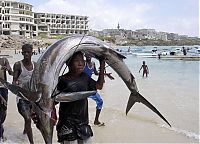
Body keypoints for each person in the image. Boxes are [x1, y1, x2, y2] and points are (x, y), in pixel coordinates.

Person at [32, 51, 105, 143]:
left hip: (83, 122)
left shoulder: (85, 78)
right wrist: (42, 115)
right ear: (68, 63)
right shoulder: (61, 80)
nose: (80, 63)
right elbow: (50, 102)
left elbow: (99, 86)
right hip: (66, 124)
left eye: (82, 60)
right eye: (76, 60)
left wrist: (102, 64)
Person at [12, 44, 35, 144]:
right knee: (28, 118)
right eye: (24, 52)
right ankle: (32, 143)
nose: (26, 54)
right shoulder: (18, 65)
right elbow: (14, 81)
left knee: (28, 120)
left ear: (32, 53)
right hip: (21, 98)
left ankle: (24, 133)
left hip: (32, 98)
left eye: (28, 52)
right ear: (21, 52)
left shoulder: (35, 65)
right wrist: (15, 83)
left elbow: (38, 81)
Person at [83, 55, 114, 126]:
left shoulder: (93, 63)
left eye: (89, 54)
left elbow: (96, 73)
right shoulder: (83, 63)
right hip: (81, 86)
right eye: (86, 54)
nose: (88, 56)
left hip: (90, 86)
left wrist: (106, 74)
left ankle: (96, 120)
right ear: (84, 55)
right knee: (82, 104)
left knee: (100, 101)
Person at [0, 57, 13, 141]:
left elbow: (11, 73)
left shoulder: (4, 60)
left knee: (3, 111)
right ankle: (1, 135)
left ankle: (1, 126)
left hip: (3, 88)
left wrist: (8, 69)